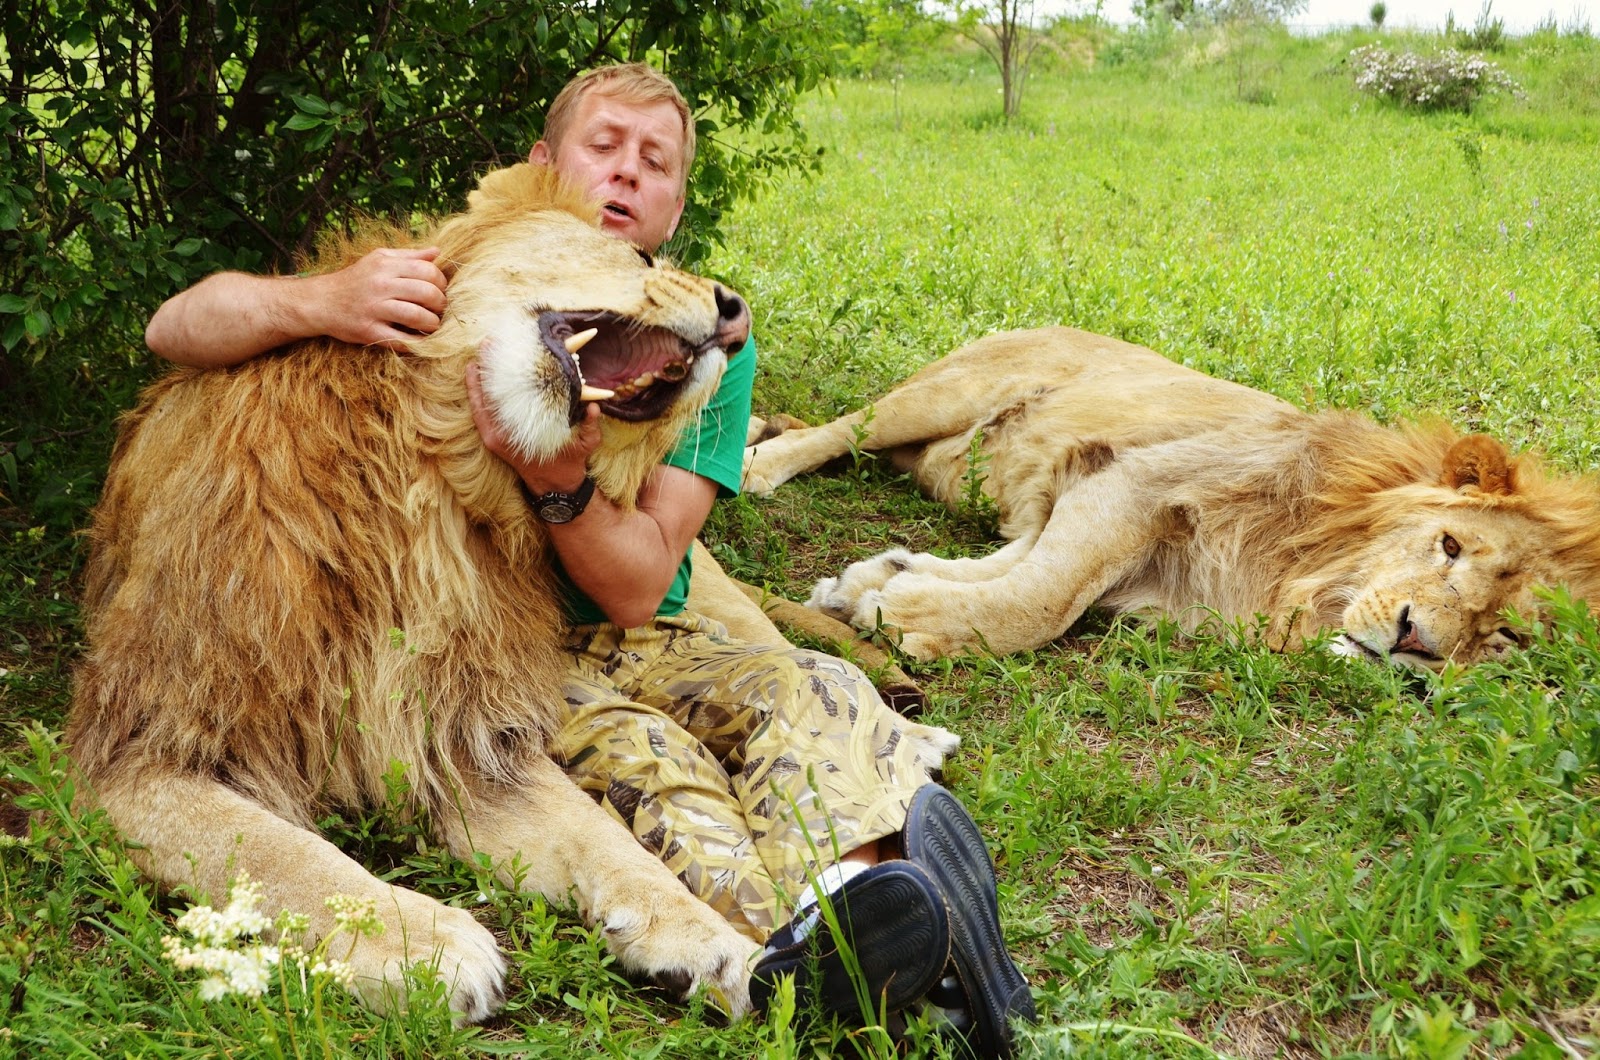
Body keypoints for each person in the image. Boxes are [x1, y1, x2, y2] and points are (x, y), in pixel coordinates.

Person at [145, 63, 1034, 1055]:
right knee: (650, 762)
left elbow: (640, 582)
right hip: (534, 653)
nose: (625, 173)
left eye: (655, 163)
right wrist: (317, 301)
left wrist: (557, 474)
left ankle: (864, 891)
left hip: (628, 619)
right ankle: (816, 955)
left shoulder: (699, 343)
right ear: (541, 171)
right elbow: (175, 323)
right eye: (603, 145)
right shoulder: (443, 276)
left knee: (813, 690)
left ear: (675, 207)